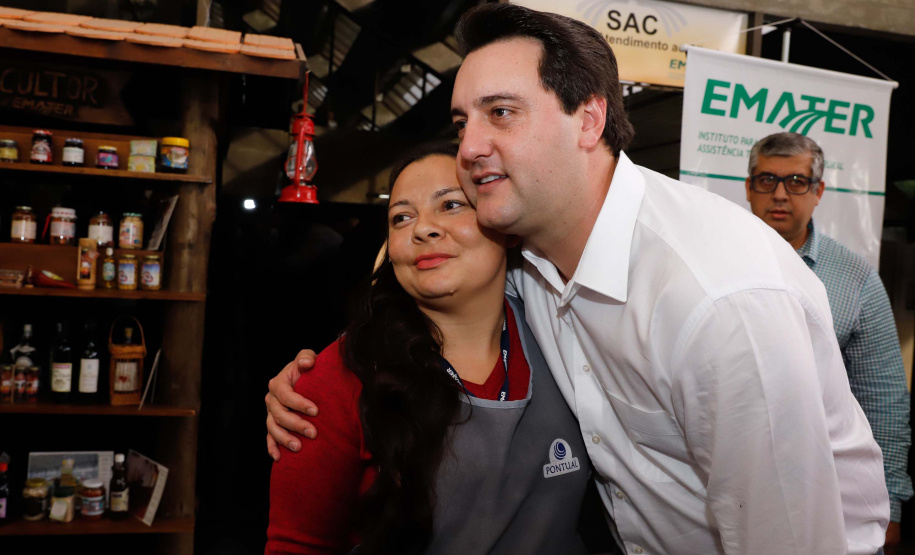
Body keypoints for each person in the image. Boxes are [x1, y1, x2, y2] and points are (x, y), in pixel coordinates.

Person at [265, 4, 890, 554]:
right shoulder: (527, 252)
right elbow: (422, 265)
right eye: (462, 124)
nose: (471, 147)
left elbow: (788, 538)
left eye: (501, 113)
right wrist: (323, 376)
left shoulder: (717, 300)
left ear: (589, 121)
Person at [266, 142, 600, 555]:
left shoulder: (568, 334)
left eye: (451, 205)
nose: (422, 228)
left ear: (506, 223)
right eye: (401, 217)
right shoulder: (337, 378)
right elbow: (297, 546)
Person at [745, 131, 912, 551]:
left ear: (818, 191)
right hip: (727, 476)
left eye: (796, 181)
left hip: (823, 490)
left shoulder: (854, 277)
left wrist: (891, 503)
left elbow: (884, 398)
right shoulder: (713, 259)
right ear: (749, 187)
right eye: (767, 180)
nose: (780, 194)